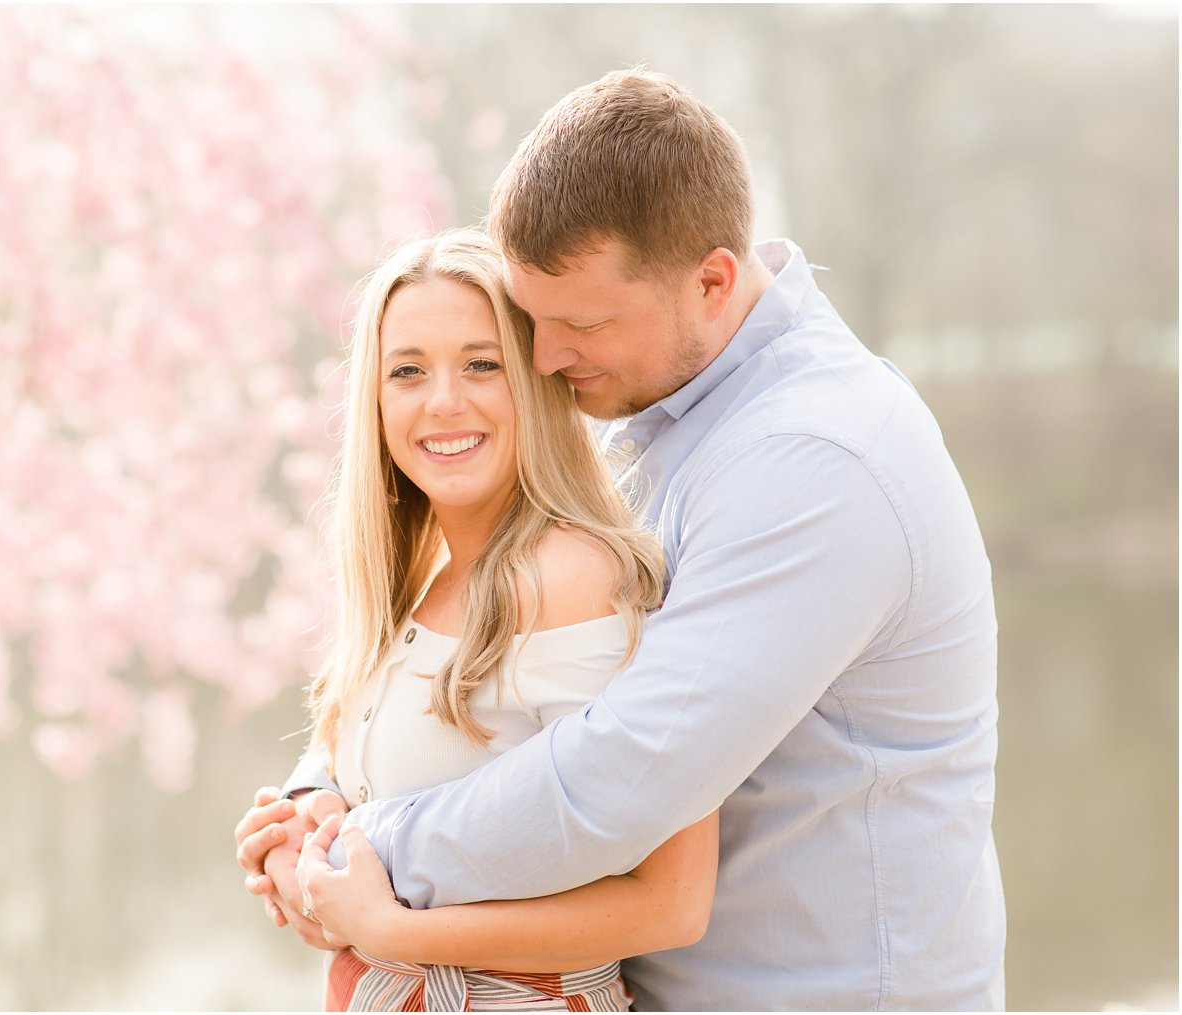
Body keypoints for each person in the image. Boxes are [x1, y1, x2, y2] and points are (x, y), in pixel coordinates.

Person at [238, 69, 1005, 1011]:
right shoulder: (650, 408)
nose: (546, 361)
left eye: (579, 324)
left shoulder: (818, 458)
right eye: (532, 325)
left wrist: (362, 852)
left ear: (713, 281)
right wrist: (314, 792)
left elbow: (628, 771)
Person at [255, 227, 719, 1011]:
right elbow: (369, 784)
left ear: (535, 382)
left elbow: (669, 901)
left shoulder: (573, 576)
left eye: (482, 363)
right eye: (408, 371)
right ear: (375, 398)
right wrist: (301, 829)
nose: (444, 400)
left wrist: (391, 929)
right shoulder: (414, 578)